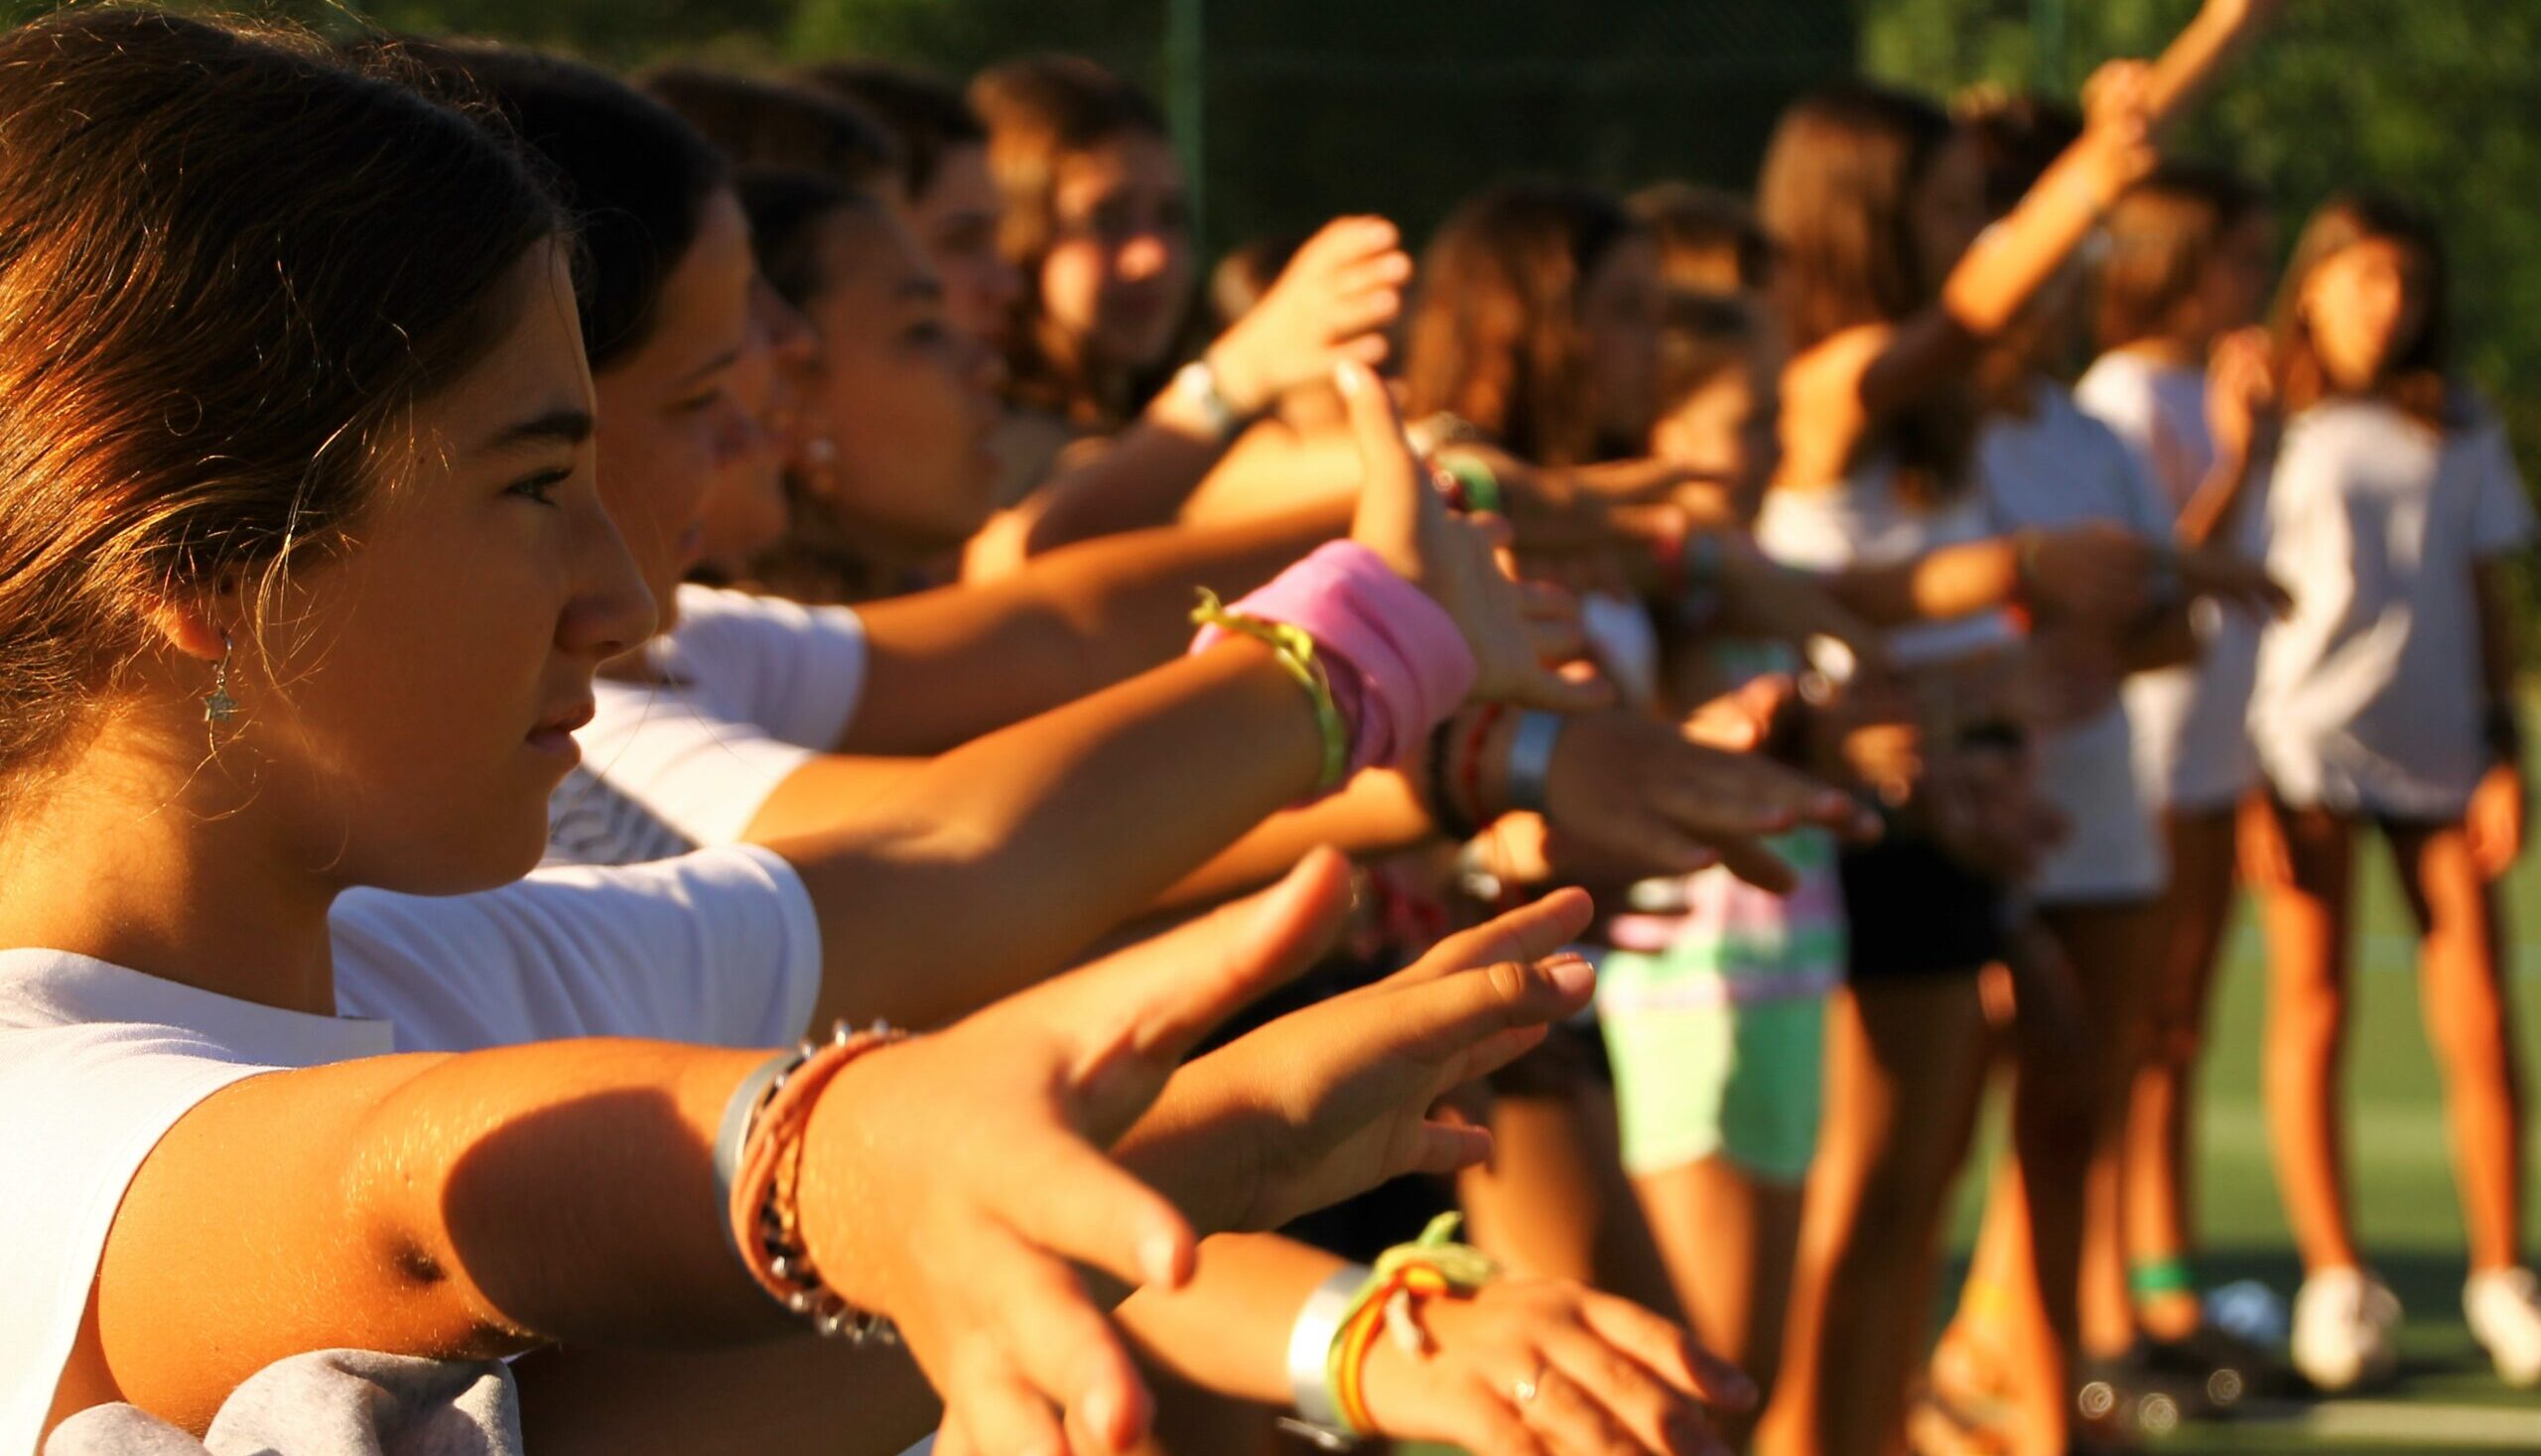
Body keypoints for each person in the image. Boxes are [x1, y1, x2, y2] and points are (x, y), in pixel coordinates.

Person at [0, 15, 1664, 1452]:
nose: (615, 588)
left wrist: (1384, 643)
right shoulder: (41, 1111)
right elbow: (411, 1208)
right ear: (202, 562)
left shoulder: (429, 961)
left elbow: (954, 856)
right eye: (529, 484)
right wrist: (836, 1151)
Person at [2245, 191, 2541, 1393]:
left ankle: (2499, 1276)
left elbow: (2484, 595)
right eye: (2365, 277)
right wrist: (2245, 766)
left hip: (2437, 751)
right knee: (2311, 1004)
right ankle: (2336, 1282)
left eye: (2409, 284)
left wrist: (2500, 750)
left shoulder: (2456, 422)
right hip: (2301, 746)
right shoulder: (2269, 417)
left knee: (2476, 1009)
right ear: (2311, 282)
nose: (2389, 304)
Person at [2073, 158, 2287, 1395]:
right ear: (2173, 264)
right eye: (2239, 260)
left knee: (2175, 1032)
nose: (2252, 287)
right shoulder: (2120, 399)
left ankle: (2163, 1284)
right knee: (2119, 1039)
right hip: (2141, 756)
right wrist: (2238, 458)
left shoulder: (2207, 389)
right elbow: (2149, 588)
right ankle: (2099, 1309)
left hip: (2210, 756)